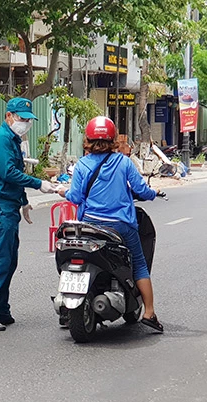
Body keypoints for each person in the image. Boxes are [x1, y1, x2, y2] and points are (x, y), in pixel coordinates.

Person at [56, 116, 163, 332]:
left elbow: (75, 197)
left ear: (87, 139)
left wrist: (64, 192)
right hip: (120, 225)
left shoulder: (83, 164)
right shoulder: (123, 162)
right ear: (113, 139)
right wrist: (153, 194)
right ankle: (149, 313)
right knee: (139, 264)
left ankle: (70, 306)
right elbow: (141, 190)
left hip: (90, 226)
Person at [0, 97, 57, 331]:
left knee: (9, 261)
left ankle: (0, 308)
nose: (25, 123)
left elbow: (14, 173)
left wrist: (24, 201)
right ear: (9, 116)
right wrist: (38, 183)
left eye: (28, 119)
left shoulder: (12, 139)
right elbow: (8, 173)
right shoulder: (0, 139)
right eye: (21, 118)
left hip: (8, 205)